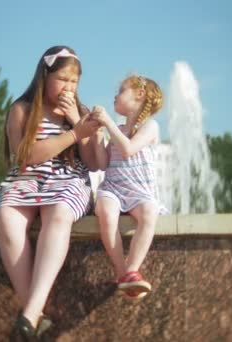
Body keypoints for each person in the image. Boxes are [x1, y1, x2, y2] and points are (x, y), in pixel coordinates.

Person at [0, 45, 101, 339]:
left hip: (67, 180)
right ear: (44, 75)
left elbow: (92, 163)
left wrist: (79, 122)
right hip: (28, 177)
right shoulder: (22, 109)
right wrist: (75, 134)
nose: (69, 87)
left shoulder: (81, 112)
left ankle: (29, 314)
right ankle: (35, 316)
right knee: (5, 214)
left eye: (74, 81)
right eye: (63, 79)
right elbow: (26, 155)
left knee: (59, 213)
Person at [90, 74, 165, 299]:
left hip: (140, 191)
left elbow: (129, 149)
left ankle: (132, 268)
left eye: (121, 90)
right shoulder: (117, 130)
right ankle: (124, 273)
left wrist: (108, 124)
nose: (115, 95)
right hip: (113, 188)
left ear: (139, 95)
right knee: (105, 210)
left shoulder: (150, 126)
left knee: (150, 211)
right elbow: (103, 163)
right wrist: (97, 136)